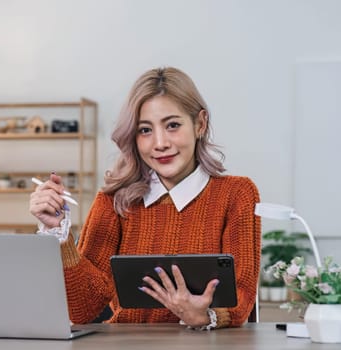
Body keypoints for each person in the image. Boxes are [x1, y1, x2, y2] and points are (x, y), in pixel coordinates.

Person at [29, 67, 260, 330]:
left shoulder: (237, 194)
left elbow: (241, 299)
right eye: (145, 130)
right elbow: (83, 309)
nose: (160, 143)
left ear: (200, 124)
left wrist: (206, 316)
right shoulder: (113, 200)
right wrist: (56, 231)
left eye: (172, 125)